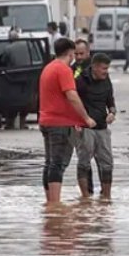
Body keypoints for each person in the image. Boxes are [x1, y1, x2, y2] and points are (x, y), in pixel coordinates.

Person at [38, 38, 96, 203]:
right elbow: (72, 96)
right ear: (70, 53)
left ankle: (49, 202)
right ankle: (55, 204)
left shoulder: (48, 68)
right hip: (59, 124)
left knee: (49, 163)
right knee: (58, 163)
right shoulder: (63, 70)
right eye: (73, 53)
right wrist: (85, 118)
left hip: (46, 121)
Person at [74, 52, 117, 198]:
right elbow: (72, 102)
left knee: (107, 163)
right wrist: (76, 121)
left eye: (107, 69)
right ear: (94, 67)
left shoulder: (106, 79)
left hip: (102, 128)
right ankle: (85, 197)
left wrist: (112, 112)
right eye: (104, 69)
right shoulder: (80, 81)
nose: (106, 72)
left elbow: (110, 100)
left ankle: (106, 196)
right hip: (85, 128)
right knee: (84, 162)